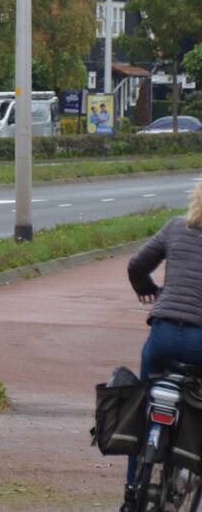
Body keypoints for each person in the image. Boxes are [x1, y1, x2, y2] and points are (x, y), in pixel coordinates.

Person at [121, 180, 202, 511]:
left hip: (163, 334)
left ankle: (131, 491)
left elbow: (136, 265)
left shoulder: (176, 227)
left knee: (142, 405)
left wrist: (147, 289)